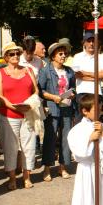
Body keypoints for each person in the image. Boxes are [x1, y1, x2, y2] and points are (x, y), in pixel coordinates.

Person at [0, 42, 39, 190]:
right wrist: (13, 107)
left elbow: (36, 91)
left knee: (29, 147)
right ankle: (12, 178)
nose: (15, 56)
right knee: (11, 148)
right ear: (6, 57)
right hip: (8, 115)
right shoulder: (0, 73)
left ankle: (27, 177)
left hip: (28, 114)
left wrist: (29, 103)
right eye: (11, 54)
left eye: (17, 53)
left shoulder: (28, 70)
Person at [38, 40, 76, 181]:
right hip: (52, 108)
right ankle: (47, 168)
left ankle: (63, 167)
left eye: (65, 53)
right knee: (50, 137)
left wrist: (72, 94)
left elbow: (73, 87)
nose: (63, 56)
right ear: (53, 56)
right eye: (60, 54)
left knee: (66, 138)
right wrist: (53, 97)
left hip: (67, 107)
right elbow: (40, 90)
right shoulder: (45, 70)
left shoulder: (69, 71)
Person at [72, 31, 103, 121]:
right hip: (82, 92)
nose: (91, 43)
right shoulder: (77, 57)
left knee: (96, 119)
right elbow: (77, 75)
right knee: (81, 119)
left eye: (93, 41)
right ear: (84, 43)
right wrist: (97, 77)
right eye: (89, 41)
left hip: (97, 92)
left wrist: (86, 73)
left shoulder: (100, 57)